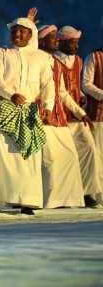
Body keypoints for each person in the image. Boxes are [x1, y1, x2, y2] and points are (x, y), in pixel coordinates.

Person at [0, 16, 54, 215]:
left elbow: (48, 83)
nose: (16, 34)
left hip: (29, 111)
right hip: (4, 108)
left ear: (30, 35)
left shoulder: (41, 57)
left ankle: (26, 201)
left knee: (28, 157)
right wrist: (10, 94)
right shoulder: (0, 52)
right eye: (14, 30)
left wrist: (48, 106)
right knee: (1, 156)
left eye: (21, 31)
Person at [36, 23, 87, 208]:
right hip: (44, 116)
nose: (56, 41)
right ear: (41, 42)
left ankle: (67, 199)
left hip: (60, 118)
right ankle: (49, 201)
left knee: (70, 156)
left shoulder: (56, 63)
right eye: (52, 38)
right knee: (50, 160)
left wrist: (81, 114)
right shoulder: (34, 59)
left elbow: (63, 93)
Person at [54, 26, 102, 207]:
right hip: (61, 116)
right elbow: (61, 92)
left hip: (77, 116)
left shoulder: (79, 61)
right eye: (73, 43)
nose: (76, 46)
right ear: (63, 42)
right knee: (65, 156)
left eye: (77, 43)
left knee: (89, 148)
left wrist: (82, 97)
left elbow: (77, 88)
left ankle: (87, 192)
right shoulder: (52, 60)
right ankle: (64, 195)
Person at [83, 36, 103, 203]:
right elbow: (86, 84)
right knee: (98, 157)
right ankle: (98, 196)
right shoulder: (94, 57)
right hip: (99, 116)